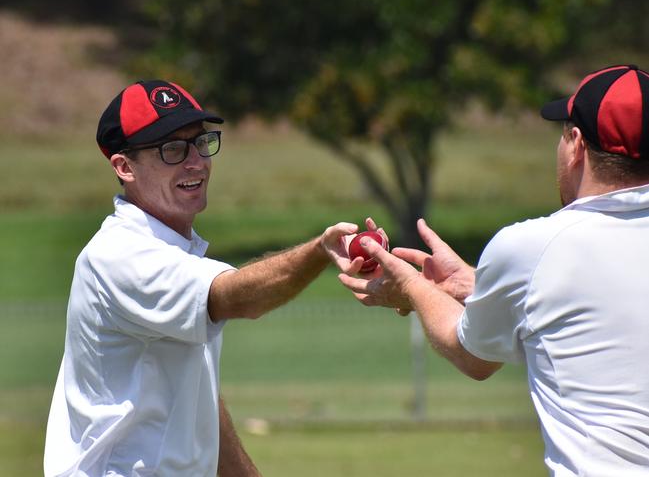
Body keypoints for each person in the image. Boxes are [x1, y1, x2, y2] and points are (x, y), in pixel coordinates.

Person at [43, 79, 370, 476]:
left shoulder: (175, 250)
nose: (195, 161)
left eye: (200, 142)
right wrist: (320, 251)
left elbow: (197, 402)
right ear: (124, 167)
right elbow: (236, 297)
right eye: (173, 149)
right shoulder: (120, 254)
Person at [339, 64, 649, 476]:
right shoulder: (537, 260)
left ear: (576, 143)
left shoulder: (533, 247)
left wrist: (412, 288)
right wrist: (477, 285)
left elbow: (474, 357)